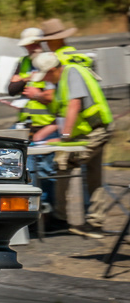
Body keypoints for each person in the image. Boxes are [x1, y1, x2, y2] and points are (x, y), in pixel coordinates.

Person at [30, 52, 114, 239]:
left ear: (53, 69)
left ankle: (61, 218)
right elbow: (61, 116)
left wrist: (64, 137)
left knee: (64, 164)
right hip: (88, 133)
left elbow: (74, 104)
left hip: (95, 131)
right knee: (93, 176)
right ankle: (94, 223)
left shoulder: (72, 73)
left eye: (46, 76)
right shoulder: (61, 83)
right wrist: (40, 136)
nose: (45, 80)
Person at [8, 28, 58, 210]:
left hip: (47, 125)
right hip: (26, 124)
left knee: (46, 171)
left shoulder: (50, 61)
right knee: (26, 170)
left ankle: (48, 211)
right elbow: (12, 89)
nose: (31, 48)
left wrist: (36, 94)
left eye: (34, 44)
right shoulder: (23, 63)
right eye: (28, 45)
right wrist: (27, 79)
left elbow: (53, 96)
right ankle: (31, 210)